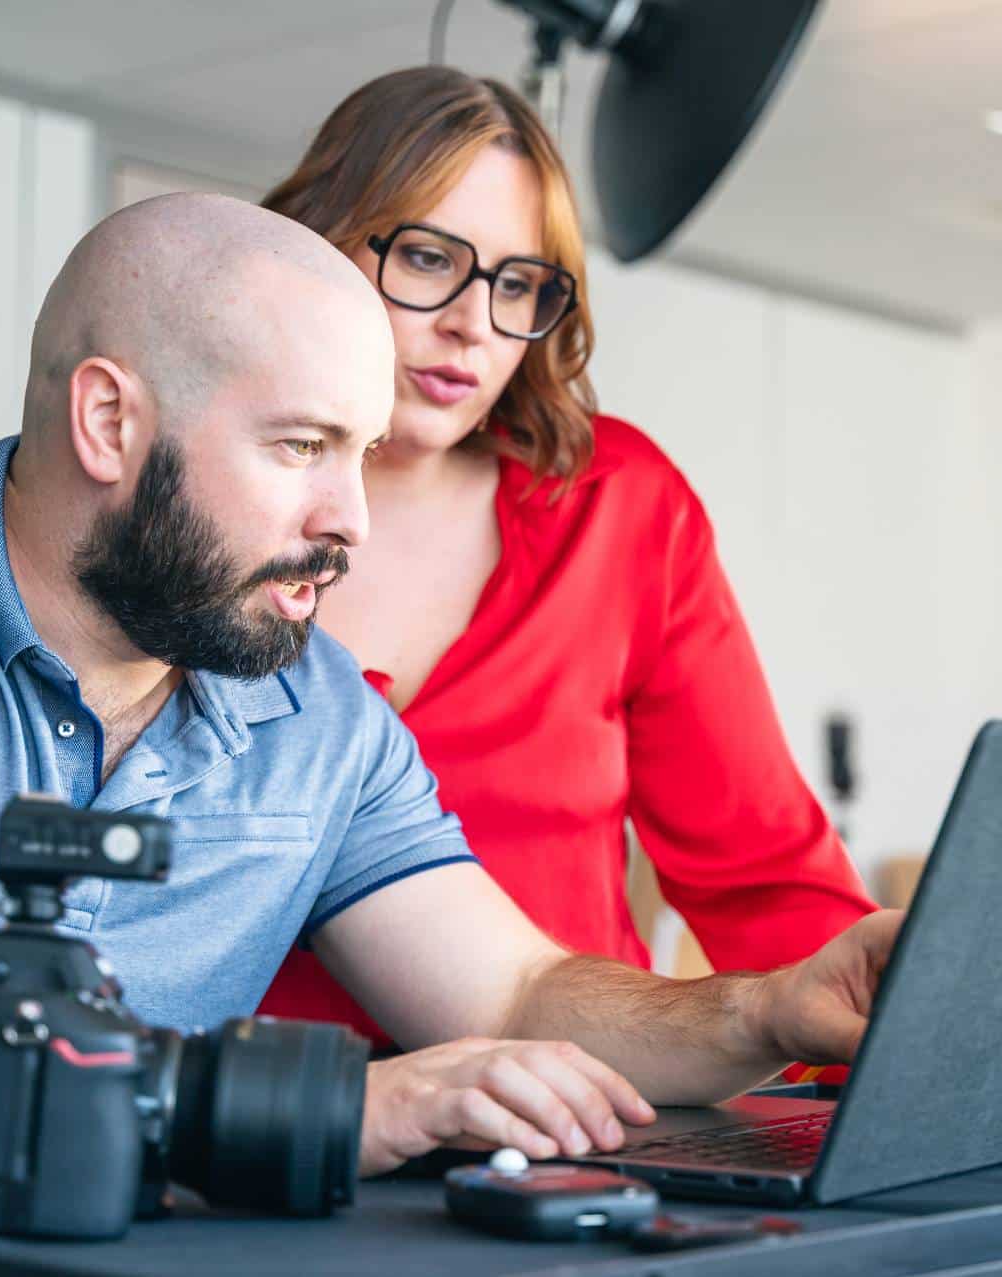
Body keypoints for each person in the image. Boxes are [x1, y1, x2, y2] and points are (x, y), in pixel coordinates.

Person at [0, 193, 899, 1191]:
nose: (350, 519)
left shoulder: (316, 709)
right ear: (108, 420)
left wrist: (765, 1011)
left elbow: (515, 990)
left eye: (360, 455)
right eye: (301, 447)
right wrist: (311, 1106)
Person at [255, 67, 875, 1047]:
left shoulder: (619, 507)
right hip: (278, 1114)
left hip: (585, 1098)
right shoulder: (205, 507)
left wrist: (899, 1036)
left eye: (516, 283)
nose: (471, 322)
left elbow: (764, 872)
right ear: (320, 242)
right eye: (428, 257)